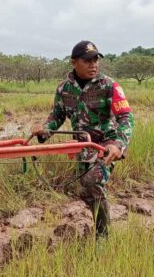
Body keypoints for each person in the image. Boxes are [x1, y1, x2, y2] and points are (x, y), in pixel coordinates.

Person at [32, 40, 134, 238]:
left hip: (105, 146)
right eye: (87, 60)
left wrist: (118, 145)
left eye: (96, 59)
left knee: (92, 182)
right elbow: (58, 116)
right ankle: (97, 225)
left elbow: (126, 118)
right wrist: (44, 130)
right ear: (74, 62)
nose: (93, 64)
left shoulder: (109, 86)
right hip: (83, 147)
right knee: (87, 192)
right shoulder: (64, 89)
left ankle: (102, 238)